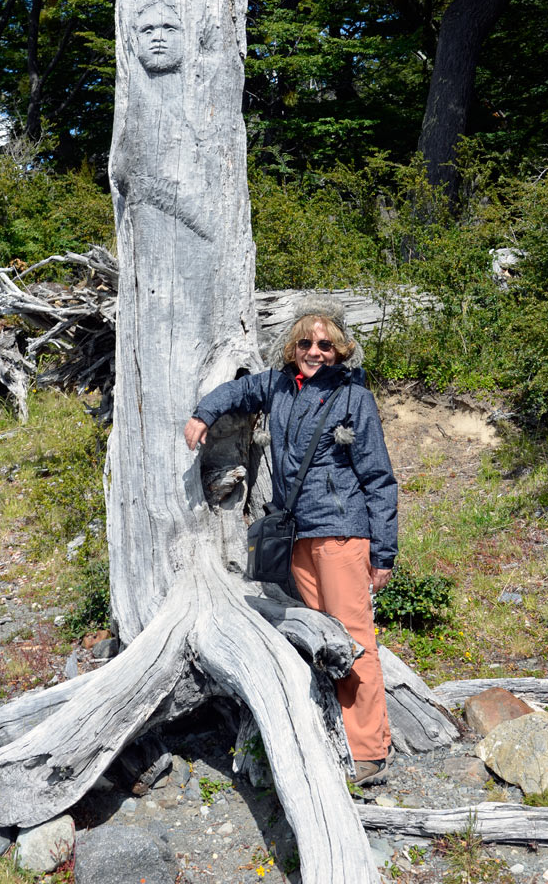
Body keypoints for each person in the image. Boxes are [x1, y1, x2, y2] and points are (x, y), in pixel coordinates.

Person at [184, 298, 397, 785]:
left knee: (354, 641)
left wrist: (383, 552)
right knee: (322, 641)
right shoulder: (278, 385)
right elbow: (238, 392)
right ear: (292, 346)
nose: (314, 351)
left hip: (343, 535)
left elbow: (380, 479)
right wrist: (202, 414)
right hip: (297, 535)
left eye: (325, 344)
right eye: (306, 342)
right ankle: (334, 734)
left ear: (341, 350)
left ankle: (369, 750)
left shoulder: (353, 398)